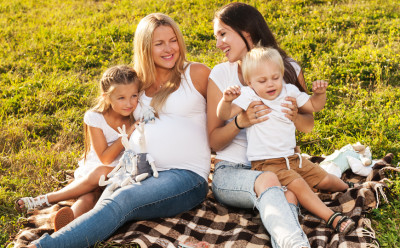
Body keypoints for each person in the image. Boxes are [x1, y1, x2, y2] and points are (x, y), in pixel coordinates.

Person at [27, 13, 210, 248]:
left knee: (123, 199)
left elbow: (225, 114)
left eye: (173, 40)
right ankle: (73, 226)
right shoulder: (137, 84)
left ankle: (43, 246)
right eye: (159, 43)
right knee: (105, 198)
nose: (169, 49)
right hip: (136, 169)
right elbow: (109, 109)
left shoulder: (196, 73)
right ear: (145, 48)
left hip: (185, 175)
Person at [208, 3, 353, 247]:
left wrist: (295, 115)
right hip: (234, 170)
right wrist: (240, 122)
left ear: (247, 32)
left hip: (284, 161)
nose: (218, 43)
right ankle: (309, 232)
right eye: (216, 36)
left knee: (292, 190)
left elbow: (308, 124)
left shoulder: (287, 69)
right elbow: (214, 140)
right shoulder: (223, 76)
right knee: (282, 185)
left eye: (223, 34)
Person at [15, 65, 140, 231]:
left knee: (93, 196)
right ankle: (52, 202)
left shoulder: (136, 113)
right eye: (121, 98)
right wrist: (127, 135)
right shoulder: (95, 117)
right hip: (96, 172)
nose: (130, 103)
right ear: (106, 97)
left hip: (122, 173)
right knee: (95, 185)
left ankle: (67, 227)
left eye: (134, 96)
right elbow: (105, 158)